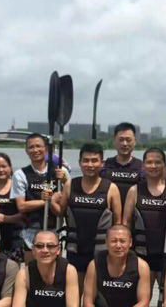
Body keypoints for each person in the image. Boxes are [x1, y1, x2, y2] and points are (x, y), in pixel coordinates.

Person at [51, 142, 122, 288]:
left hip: (101, 251)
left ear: (102, 163)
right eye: (86, 160)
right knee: (75, 291)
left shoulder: (111, 188)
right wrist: (52, 201)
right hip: (75, 250)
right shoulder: (70, 185)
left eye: (94, 161)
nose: (90, 165)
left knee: (97, 293)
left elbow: (118, 223)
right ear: (80, 162)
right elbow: (61, 212)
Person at [123, 147, 166, 287]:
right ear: (143, 165)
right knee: (141, 295)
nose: (153, 166)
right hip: (142, 254)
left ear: (165, 165)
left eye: (158, 162)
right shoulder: (134, 190)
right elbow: (126, 222)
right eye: (149, 162)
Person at [83, 225, 152, 307]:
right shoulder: (95, 265)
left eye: (122, 241)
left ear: (130, 243)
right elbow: (88, 302)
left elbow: (144, 302)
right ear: (106, 242)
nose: (118, 245)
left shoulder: (141, 266)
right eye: (114, 241)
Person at [11, 134, 64, 263]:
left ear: (46, 149)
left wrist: (65, 180)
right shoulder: (20, 174)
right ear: (26, 150)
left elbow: (66, 200)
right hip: (31, 231)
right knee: (31, 269)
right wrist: (44, 201)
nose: (35, 150)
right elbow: (21, 206)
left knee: (56, 269)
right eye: (31, 147)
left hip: (54, 229)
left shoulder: (59, 172)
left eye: (38, 146)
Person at [101, 122, 144, 209]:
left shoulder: (142, 167)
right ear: (114, 141)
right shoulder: (104, 166)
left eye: (128, 140)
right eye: (121, 140)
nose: (125, 144)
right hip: (109, 214)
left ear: (135, 141)